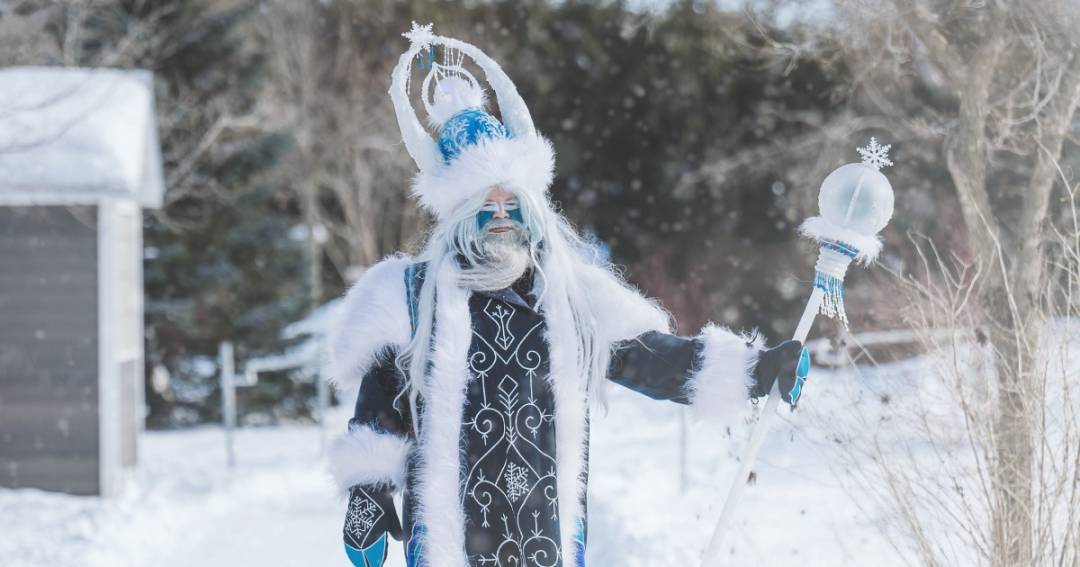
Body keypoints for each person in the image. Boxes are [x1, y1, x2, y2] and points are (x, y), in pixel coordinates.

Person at [326, 23, 805, 567]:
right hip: (447, 535)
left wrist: (754, 370)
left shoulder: (567, 295)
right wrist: (366, 495)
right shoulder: (413, 295)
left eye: (513, 202)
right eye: (487, 202)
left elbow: (651, 359)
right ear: (460, 210)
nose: (501, 214)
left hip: (543, 532)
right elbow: (381, 405)